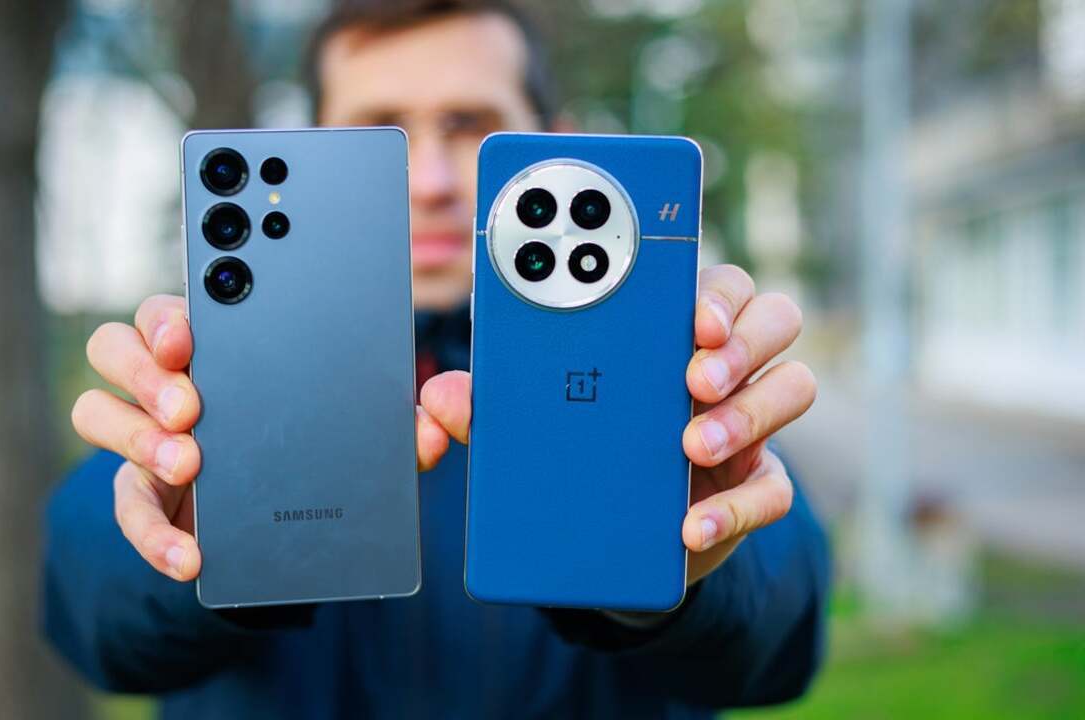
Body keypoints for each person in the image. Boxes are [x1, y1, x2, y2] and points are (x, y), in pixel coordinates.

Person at [44, 1, 829, 717]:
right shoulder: (213, 378)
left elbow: (782, 637)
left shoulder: (659, 372)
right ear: (313, 150)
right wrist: (193, 540)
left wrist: (674, 561)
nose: (430, 181)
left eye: (470, 126)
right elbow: (94, 614)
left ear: (554, 141)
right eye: (381, 131)